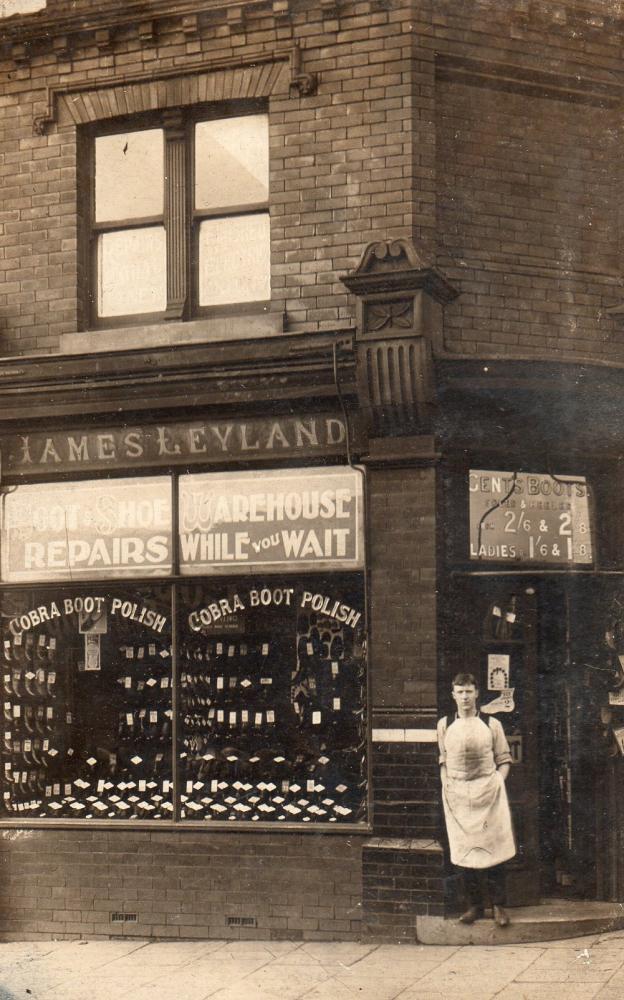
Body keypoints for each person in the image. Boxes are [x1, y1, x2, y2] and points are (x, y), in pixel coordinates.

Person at [437, 672, 516, 927]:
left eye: (469, 691)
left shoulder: (492, 724)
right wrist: (446, 785)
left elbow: (504, 760)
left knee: (494, 849)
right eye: (460, 692)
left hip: (488, 793)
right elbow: (443, 761)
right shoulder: (444, 724)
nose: (465, 697)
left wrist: (497, 783)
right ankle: (474, 906)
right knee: (465, 851)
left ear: (477, 693)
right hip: (458, 796)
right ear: (453, 695)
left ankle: (499, 906)